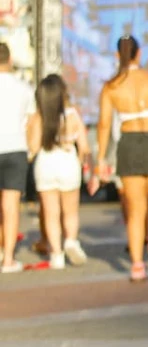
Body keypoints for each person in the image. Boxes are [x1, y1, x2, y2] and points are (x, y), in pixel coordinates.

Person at [96, 36, 148, 282]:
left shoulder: (111, 86)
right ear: (139, 54)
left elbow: (104, 124)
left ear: (118, 55)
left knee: (135, 209)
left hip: (128, 142)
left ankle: (137, 265)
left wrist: (100, 159)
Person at [28, 75, 90, 269]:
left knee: (50, 213)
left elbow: (32, 148)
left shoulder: (39, 116)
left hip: (46, 162)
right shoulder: (72, 115)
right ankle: (71, 240)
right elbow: (84, 147)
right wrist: (80, 163)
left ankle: (56, 255)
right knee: (70, 212)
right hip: (68, 160)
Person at [0, 44, 34, 274]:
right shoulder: (24, 87)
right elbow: (32, 122)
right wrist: (30, 149)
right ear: (10, 59)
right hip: (15, 148)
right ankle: (9, 259)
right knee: (11, 205)